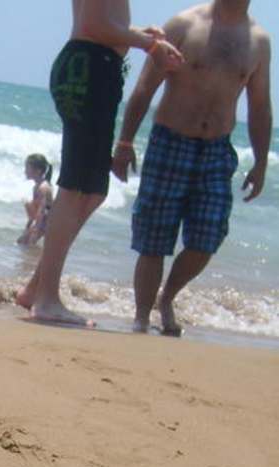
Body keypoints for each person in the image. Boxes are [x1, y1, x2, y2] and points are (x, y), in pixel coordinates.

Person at [15, 1, 183, 326]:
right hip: (88, 68)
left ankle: (36, 289)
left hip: (95, 66)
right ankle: (46, 300)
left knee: (92, 192)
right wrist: (149, 45)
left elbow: (101, 21)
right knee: (76, 188)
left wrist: (137, 34)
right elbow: (94, 25)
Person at [112, 1, 272, 336]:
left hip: (217, 148)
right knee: (154, 238)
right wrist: (125, 143)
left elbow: (259, 105)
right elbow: (145, 86)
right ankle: (141, 318)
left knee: (208, 237)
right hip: (170, 141)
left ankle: (167, 298)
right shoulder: (184, 24)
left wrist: (260, 162)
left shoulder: (258, 41)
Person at [17, 154, 54, 246]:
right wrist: (28, 226)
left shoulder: (43, 188)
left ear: (38, 171)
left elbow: (42, 211)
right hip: (41, 222)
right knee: (21, 242)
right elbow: (35, 207)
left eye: (27, 168)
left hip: (45, 223)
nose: (25, 171)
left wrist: (35, 231)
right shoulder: (36, 187)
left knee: (26, 245)